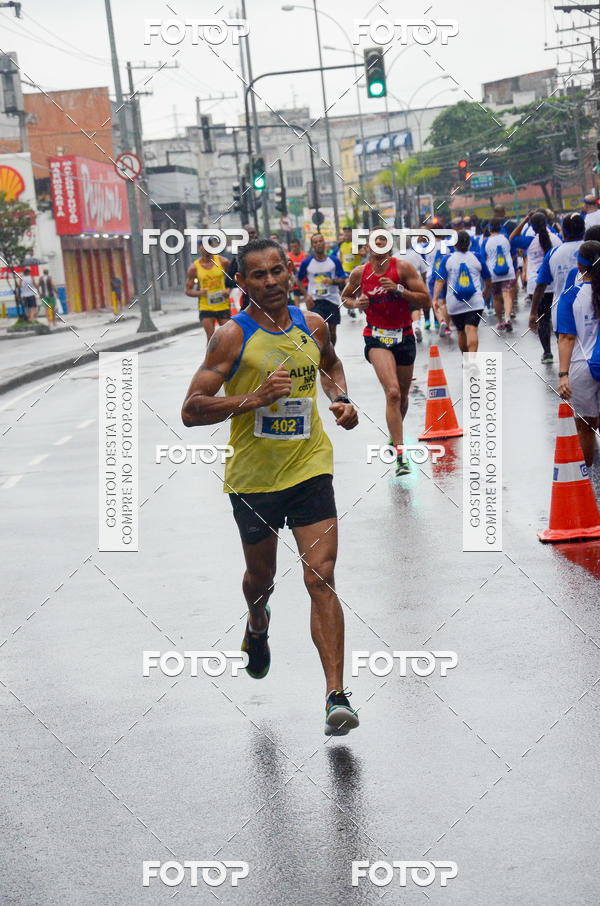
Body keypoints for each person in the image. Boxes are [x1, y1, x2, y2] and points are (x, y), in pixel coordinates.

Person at [181, 238, 360, 735]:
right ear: (243, 282)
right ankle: (257, 624)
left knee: (319, 576)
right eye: (258, 275)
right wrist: (253, 399)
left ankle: (335, 696)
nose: (272, 281)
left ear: (290, 272)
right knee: (260, 581)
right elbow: (191, 409)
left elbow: (331, 365)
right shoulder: (230, 339)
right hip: (254, 480)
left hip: (309, 469)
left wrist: (341, 400)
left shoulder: (314, 324)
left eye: (278, 271)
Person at [341, 230, 430, 476]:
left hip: (404, 336)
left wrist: (400, 290)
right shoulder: (360, 273)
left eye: (384, 241)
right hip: (376, 337)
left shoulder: (402, 269)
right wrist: (356, 304)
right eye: (374, 241)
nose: (379, 244)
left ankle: (395, 434)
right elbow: (346, 297)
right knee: (392, 393)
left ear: (389, 247)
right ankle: (401, 457)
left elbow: (426, 301)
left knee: (401, 397)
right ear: (367, 247)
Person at [556, 239, 600, 466]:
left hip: (582, 367)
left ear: (580, 266)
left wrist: (563, 375)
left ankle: (588, 483)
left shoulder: (570, 295)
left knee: (586, 428)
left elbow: (566, 338)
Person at [530, 212, 585, 364]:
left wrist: (533, 313)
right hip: (591, 309)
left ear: (564, 231)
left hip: (562, 313)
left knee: (571, 358)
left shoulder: (553, 254)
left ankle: (567, 380)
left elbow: (540, 286)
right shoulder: (592, 249)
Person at [511, 210, 562, 356]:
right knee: (558, 320)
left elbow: (512, 238)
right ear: (546, 223)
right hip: (555, 285)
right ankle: (562, 348)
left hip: (537, 286)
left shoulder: (529, 241)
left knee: (543, 321)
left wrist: (525, 219)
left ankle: (547, 353)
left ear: (532, 227)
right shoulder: (557, 238)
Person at [433, 230, 491, 353]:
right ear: (469, 243)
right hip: (475, 301)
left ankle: (466, 360)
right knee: (471, 329)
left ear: (455, 244)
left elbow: (439, 281)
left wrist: (435, 299)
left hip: (454, 303)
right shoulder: (477, 257)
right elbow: (487, 277)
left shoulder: (447, 259)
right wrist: (486, 290)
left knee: (461, 332)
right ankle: (472, 361)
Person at [297, 233, 346, 345]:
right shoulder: (307, 262)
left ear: (324, 243)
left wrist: (332, 281)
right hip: (315, 301)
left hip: (332, 300)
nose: (319, 244)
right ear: (312, 246)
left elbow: (342, 279)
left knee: (332, 332)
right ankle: (321, 354)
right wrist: (306, 295)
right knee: (318, 330)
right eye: (316, 242)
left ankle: (332, 353)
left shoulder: (334, 261)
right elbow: (298, 280)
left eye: (320, 241)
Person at [185, 242, 231, 342]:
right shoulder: (194, 268)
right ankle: (212, 357)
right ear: (199, 248)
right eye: (204, 246)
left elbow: (233, 279)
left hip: (223, 305)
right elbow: (188, 290)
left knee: (228, 336)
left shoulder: (223, 262)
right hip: (206, 306)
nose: (207, 248)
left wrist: (228, 290)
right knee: (211, 338)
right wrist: (200, 293)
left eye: (210, 245)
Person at [394, 233, 431, 342]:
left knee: (403, 306)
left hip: (400, 285)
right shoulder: (416, 255)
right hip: (415, 283)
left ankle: (404, 329)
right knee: (415, 306)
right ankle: (417, 325)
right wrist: (423, 284)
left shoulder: (394, 257)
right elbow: (424, 271)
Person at [481, 218, 516, 331]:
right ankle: (507, 318)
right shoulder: (506, 238)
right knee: (507, 295)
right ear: (500, 228)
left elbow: (482, 258)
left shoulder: (485, 242)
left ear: (489, 229)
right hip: (508, 272)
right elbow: (513, 253)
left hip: (493, 275)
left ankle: (500, 322)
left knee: (496, 297)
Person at [331, 226, 362, 319]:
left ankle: (359, 301)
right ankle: (350, 308)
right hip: (346, 270)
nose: (347, 234)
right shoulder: (341, 244)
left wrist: (356, 252)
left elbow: (364, 253)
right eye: (345, 232)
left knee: (358, 288)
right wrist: (340, 263)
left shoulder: (356, 243)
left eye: (349, 232)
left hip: (356, 269)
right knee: (348, 286)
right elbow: (341, 255)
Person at [227, 224, 258, 310]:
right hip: (249, 300)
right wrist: (244, 283)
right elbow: (228, 280)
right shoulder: (239, 257)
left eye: (253, 233)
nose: (252, 236)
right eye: (248, 234)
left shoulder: (265, 253)